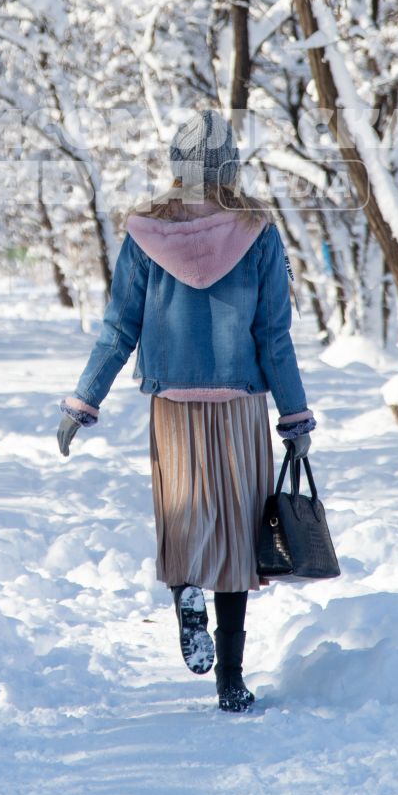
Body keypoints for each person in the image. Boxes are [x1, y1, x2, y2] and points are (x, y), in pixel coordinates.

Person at [54, 109, 315, 713]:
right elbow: (274, 336)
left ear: (177, 168)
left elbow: (119, 328)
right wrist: (295, 419)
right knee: (236, 538)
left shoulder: (145, 234)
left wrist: (83, 402)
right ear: (231, 166)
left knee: (183, 519)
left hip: (172, 407)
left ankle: (183, 595)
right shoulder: (257, 232)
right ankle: (231, 678)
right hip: (240, 408)